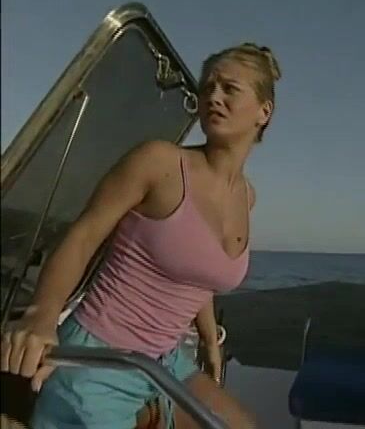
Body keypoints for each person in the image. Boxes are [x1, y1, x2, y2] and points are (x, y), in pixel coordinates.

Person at [0, 42, 282, 428]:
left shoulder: (246, 197)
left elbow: (198, 273)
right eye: (207, 87)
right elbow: (84, 235)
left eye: (230, 88)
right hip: (100, 358)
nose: (213, 97)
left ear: (264, 111)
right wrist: (42, 315)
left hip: (165, 360)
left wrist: (209, 341)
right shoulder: (159, 162)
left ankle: (145, 413)